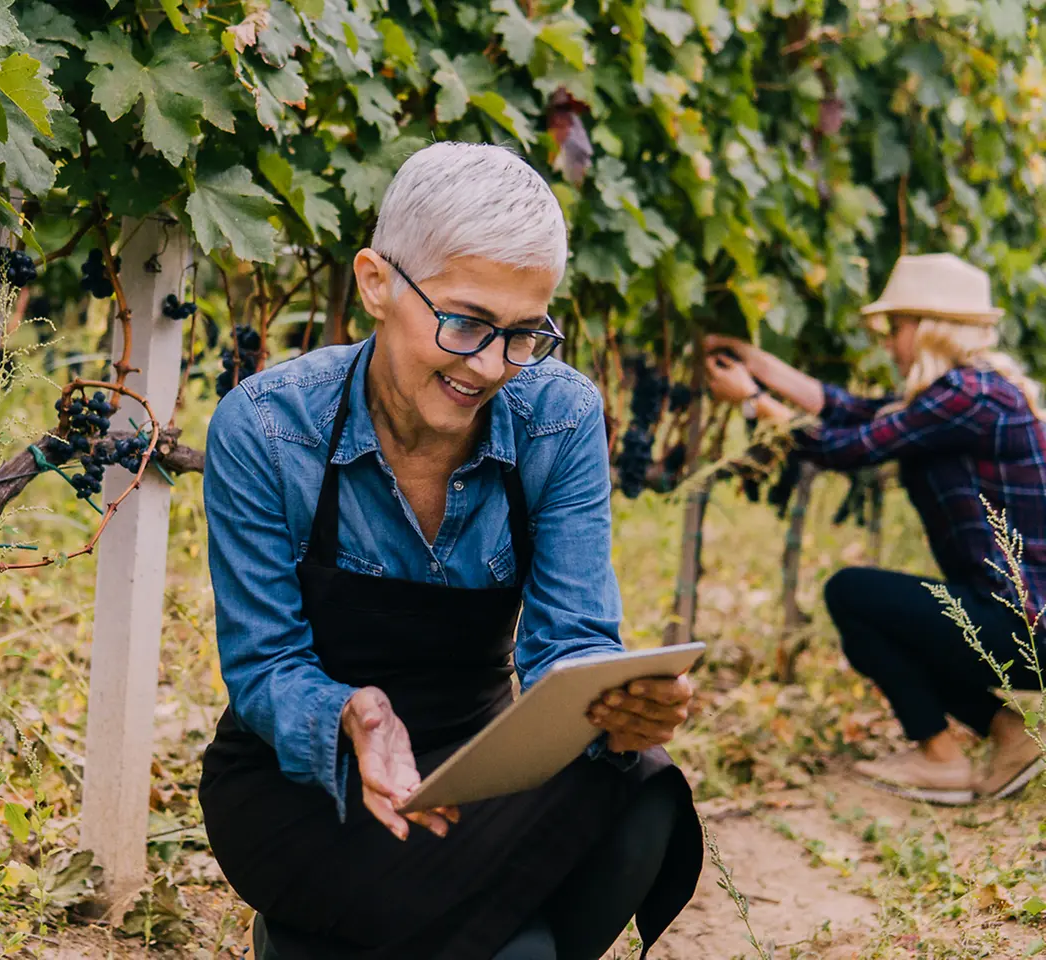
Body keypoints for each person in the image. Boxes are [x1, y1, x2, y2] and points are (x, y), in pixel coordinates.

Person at [198, 141, 702, 960]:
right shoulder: (265, 428)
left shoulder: (561, 417)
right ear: (376, 283)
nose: (492, 365)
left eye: (524, 334)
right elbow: (264, 667)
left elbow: (571, 641)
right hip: (307, 790)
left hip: (480, 774)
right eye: (465, 323)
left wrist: (615, 709)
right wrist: (353, 716)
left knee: (644, 787)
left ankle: (320, 937)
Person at [704, 253, 1046, 804]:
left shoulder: (968, 395)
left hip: (1027, 627)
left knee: (854, 595)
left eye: (896, 327)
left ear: (930, 328)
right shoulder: (972, 392)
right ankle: (1010, 735)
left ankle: (941, 757)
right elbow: (855, 411)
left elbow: (845, 447)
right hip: (1024, 620)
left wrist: (752, 402)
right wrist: (759, 364)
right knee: (902, 610)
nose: (888, 342)